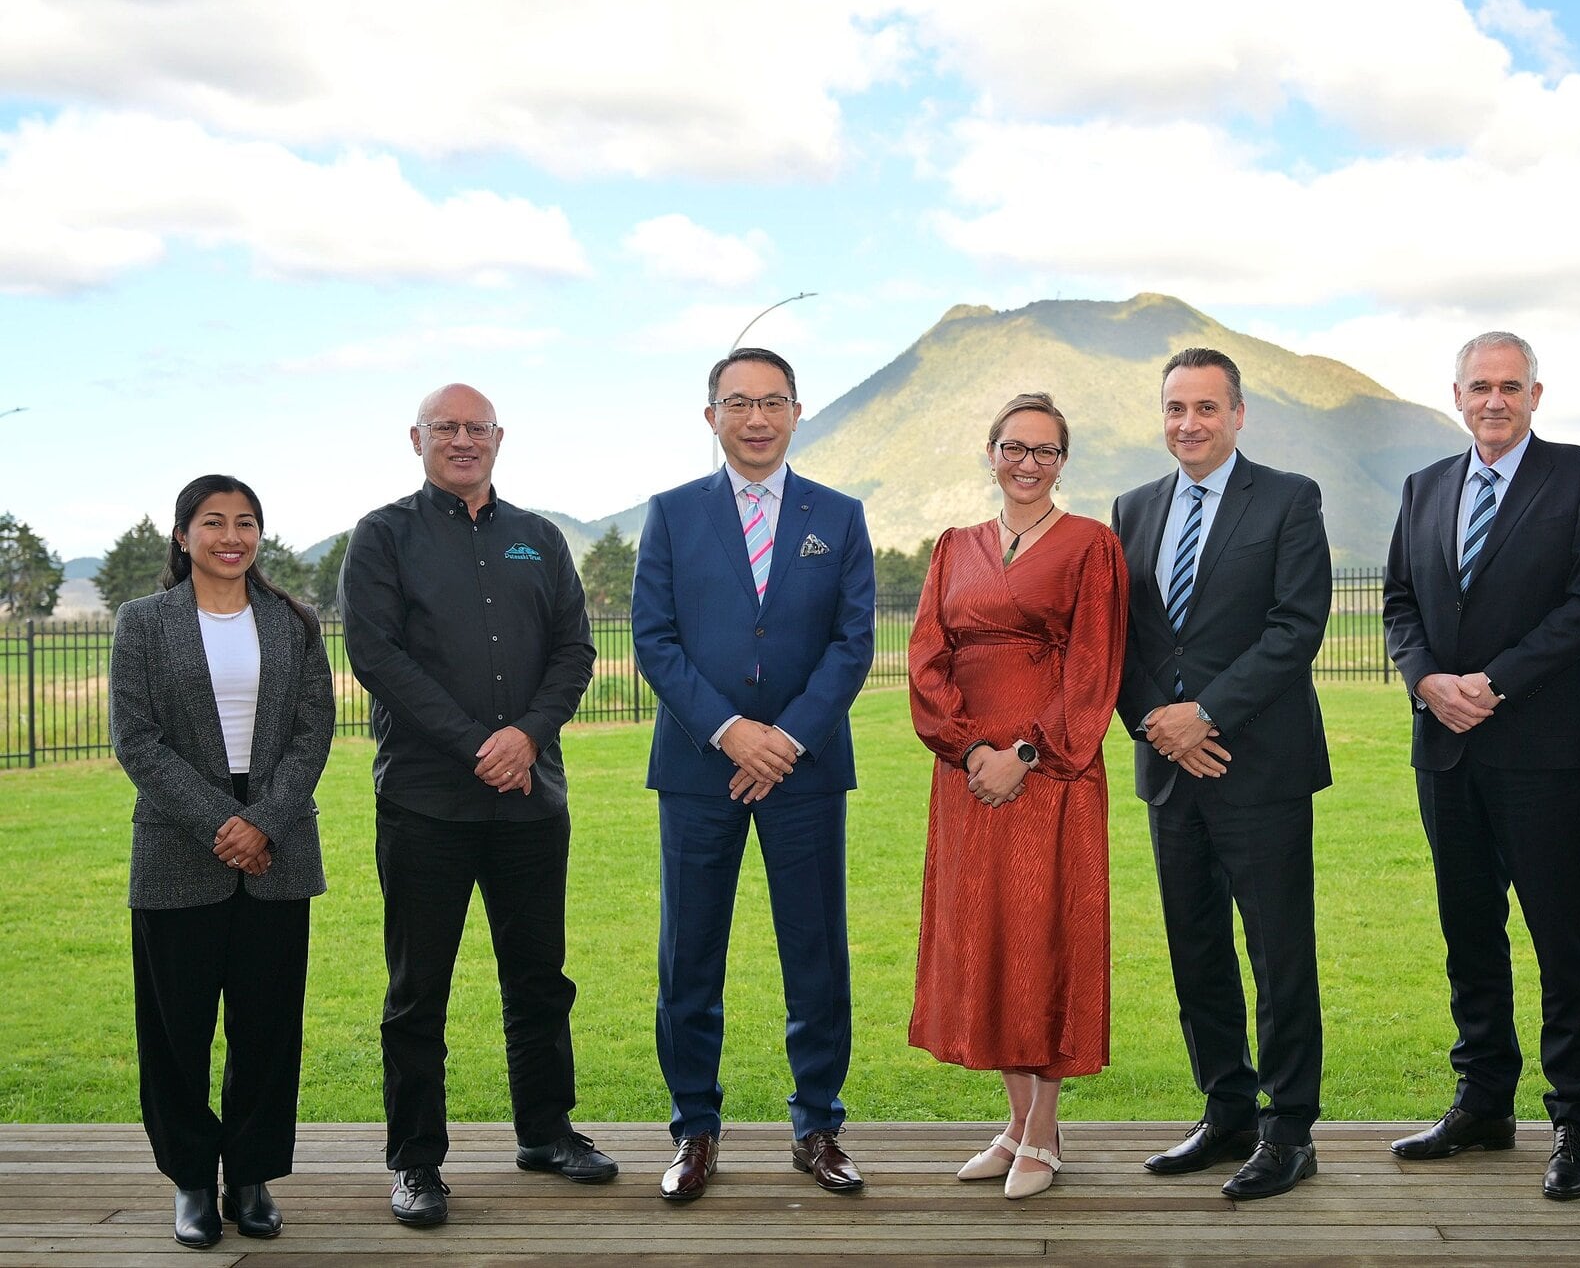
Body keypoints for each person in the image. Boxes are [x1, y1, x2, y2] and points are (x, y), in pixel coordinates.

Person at [339, 384, 615, 1228]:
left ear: (499, 438)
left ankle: (546, 1131)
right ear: (416, 439)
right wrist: (475, 743)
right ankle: (416, 1161)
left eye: (476, 428)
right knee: (417, 990)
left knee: (539, 978)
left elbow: (575, 649)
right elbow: (376, 655)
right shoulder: (382, 536)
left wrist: (525, 737)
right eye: (446, 428)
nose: (463, 440)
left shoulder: (540, 538)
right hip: (426, 803)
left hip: (531, 800)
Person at [1381, 330, 1580, 1200]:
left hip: (1543, 749)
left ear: (1536, 394)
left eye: (1510, 386)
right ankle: (1483, 1100)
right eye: (1479, 385)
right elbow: (1400, 601)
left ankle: (1575, 1123)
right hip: (1445, 748)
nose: (1495, 399)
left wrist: (1494, 681)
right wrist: (1426, 682)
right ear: (1456, 396)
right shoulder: (1423, 487)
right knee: (1469, 930)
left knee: (1562, 933)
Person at [632, 346, 875, 1203]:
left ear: (798, 412)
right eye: (739, 402)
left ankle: (818, 1125)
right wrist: (733, 732)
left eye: (774, 401)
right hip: (701, 772)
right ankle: (694, 1128)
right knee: (688, 958)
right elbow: (653, 639)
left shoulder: (839, 517)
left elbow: (853, 646)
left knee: (816, 954)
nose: (757, 417)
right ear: (712, 417)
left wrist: (787, 740)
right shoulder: (670, 514)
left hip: (804, 776)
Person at [1110, 347, 1332, 1202]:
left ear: (1239, 414)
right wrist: (1158, 726)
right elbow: (1119, 637)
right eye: (1175, 408)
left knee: (1278, 951)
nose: (1188, 424)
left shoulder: (1289, 498)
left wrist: (1204, 713)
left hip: (1257, 764)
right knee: (1195, 946)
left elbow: (1295, 625)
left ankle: (1290, 1127)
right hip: (1170, 770)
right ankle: (1226, 1107)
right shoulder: (1132, 508)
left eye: (1206, 408)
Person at [908, 393, 1130, 1200]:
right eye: (1014, 447)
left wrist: (1024, 753)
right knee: (993, 939)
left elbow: (1094, 668)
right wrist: (971, 749)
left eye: (1045, 450)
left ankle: (1045, 1131)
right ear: (991, 452)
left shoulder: (1090, 546)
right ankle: (1015, 1123)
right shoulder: (953, 547)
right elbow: (927, 658)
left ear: (1063, 461)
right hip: (970, 780)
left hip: (1050, 777)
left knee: (1044, 938)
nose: (1028, 463)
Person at [109, 474, 334, 1248]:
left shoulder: (293, 621)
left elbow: (314, 732)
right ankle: (190, 1181)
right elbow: (136, 739)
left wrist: (262, 820)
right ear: (182, 535)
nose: (230, 535)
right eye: (213, 521)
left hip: (278, 846)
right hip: (179, 843)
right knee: (176, 1030)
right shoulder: (143, 622)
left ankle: (251, 1175)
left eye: (245, 522)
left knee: (268, 1026)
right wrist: (222, 822)